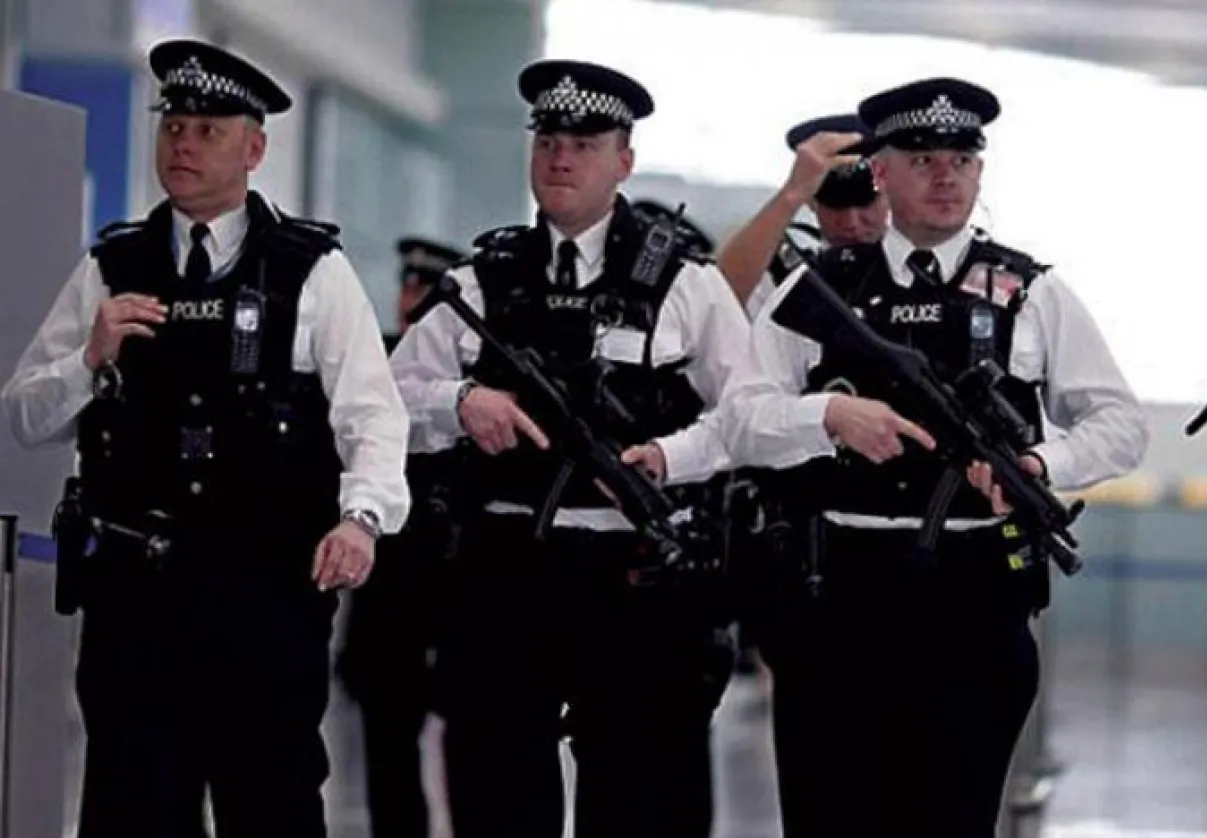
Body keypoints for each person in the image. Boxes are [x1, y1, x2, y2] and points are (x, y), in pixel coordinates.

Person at [0, 39, 409, 838]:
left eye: (207, 130)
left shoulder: (309, 271)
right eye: (173, 125)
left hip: (263, 593)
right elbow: (23, 415)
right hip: (135, 598)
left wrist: (361, 519)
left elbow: (374, 413)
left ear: (254, 149)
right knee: (133, 804)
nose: (182, 143)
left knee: (271, 802)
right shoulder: (114, 264)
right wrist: (89, 358)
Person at [719, 77, 1148, 838]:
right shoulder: (815, 289)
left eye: (961, 158)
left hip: (973, 596)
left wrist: (1043, 465)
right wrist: (829, 415)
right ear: (880, 173)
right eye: (922, 159)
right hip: (839, 592)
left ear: (981, 172)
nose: (945, 174)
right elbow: (741, 422)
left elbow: (1119, 425)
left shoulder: (1030, 292)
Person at [389, 59, 747, 838]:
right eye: (548, 139)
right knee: (496, 792)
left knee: (631, 797)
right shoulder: (485, 278)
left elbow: (748, 413)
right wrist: (460, 401)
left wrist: (668, 458)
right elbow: (385, 401)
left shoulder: (683, 283)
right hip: (505, 565)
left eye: (585, 143)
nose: (560, 157)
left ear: (624, 160)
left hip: (631, 576)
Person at [336, 235, 464, 838]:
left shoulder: (477, 379)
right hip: (388, 593)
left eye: (426, 290)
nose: (411, 299)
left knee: (470, 753)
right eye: (408, 286)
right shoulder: (373, 367)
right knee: (388, 752)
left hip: (452, 587)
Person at [720, 112, 889, 321]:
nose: (851, 223)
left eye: (865, 203)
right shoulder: (785, 281)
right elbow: (716, 301)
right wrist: (792, 194)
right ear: (811, 202)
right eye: (834, 205)